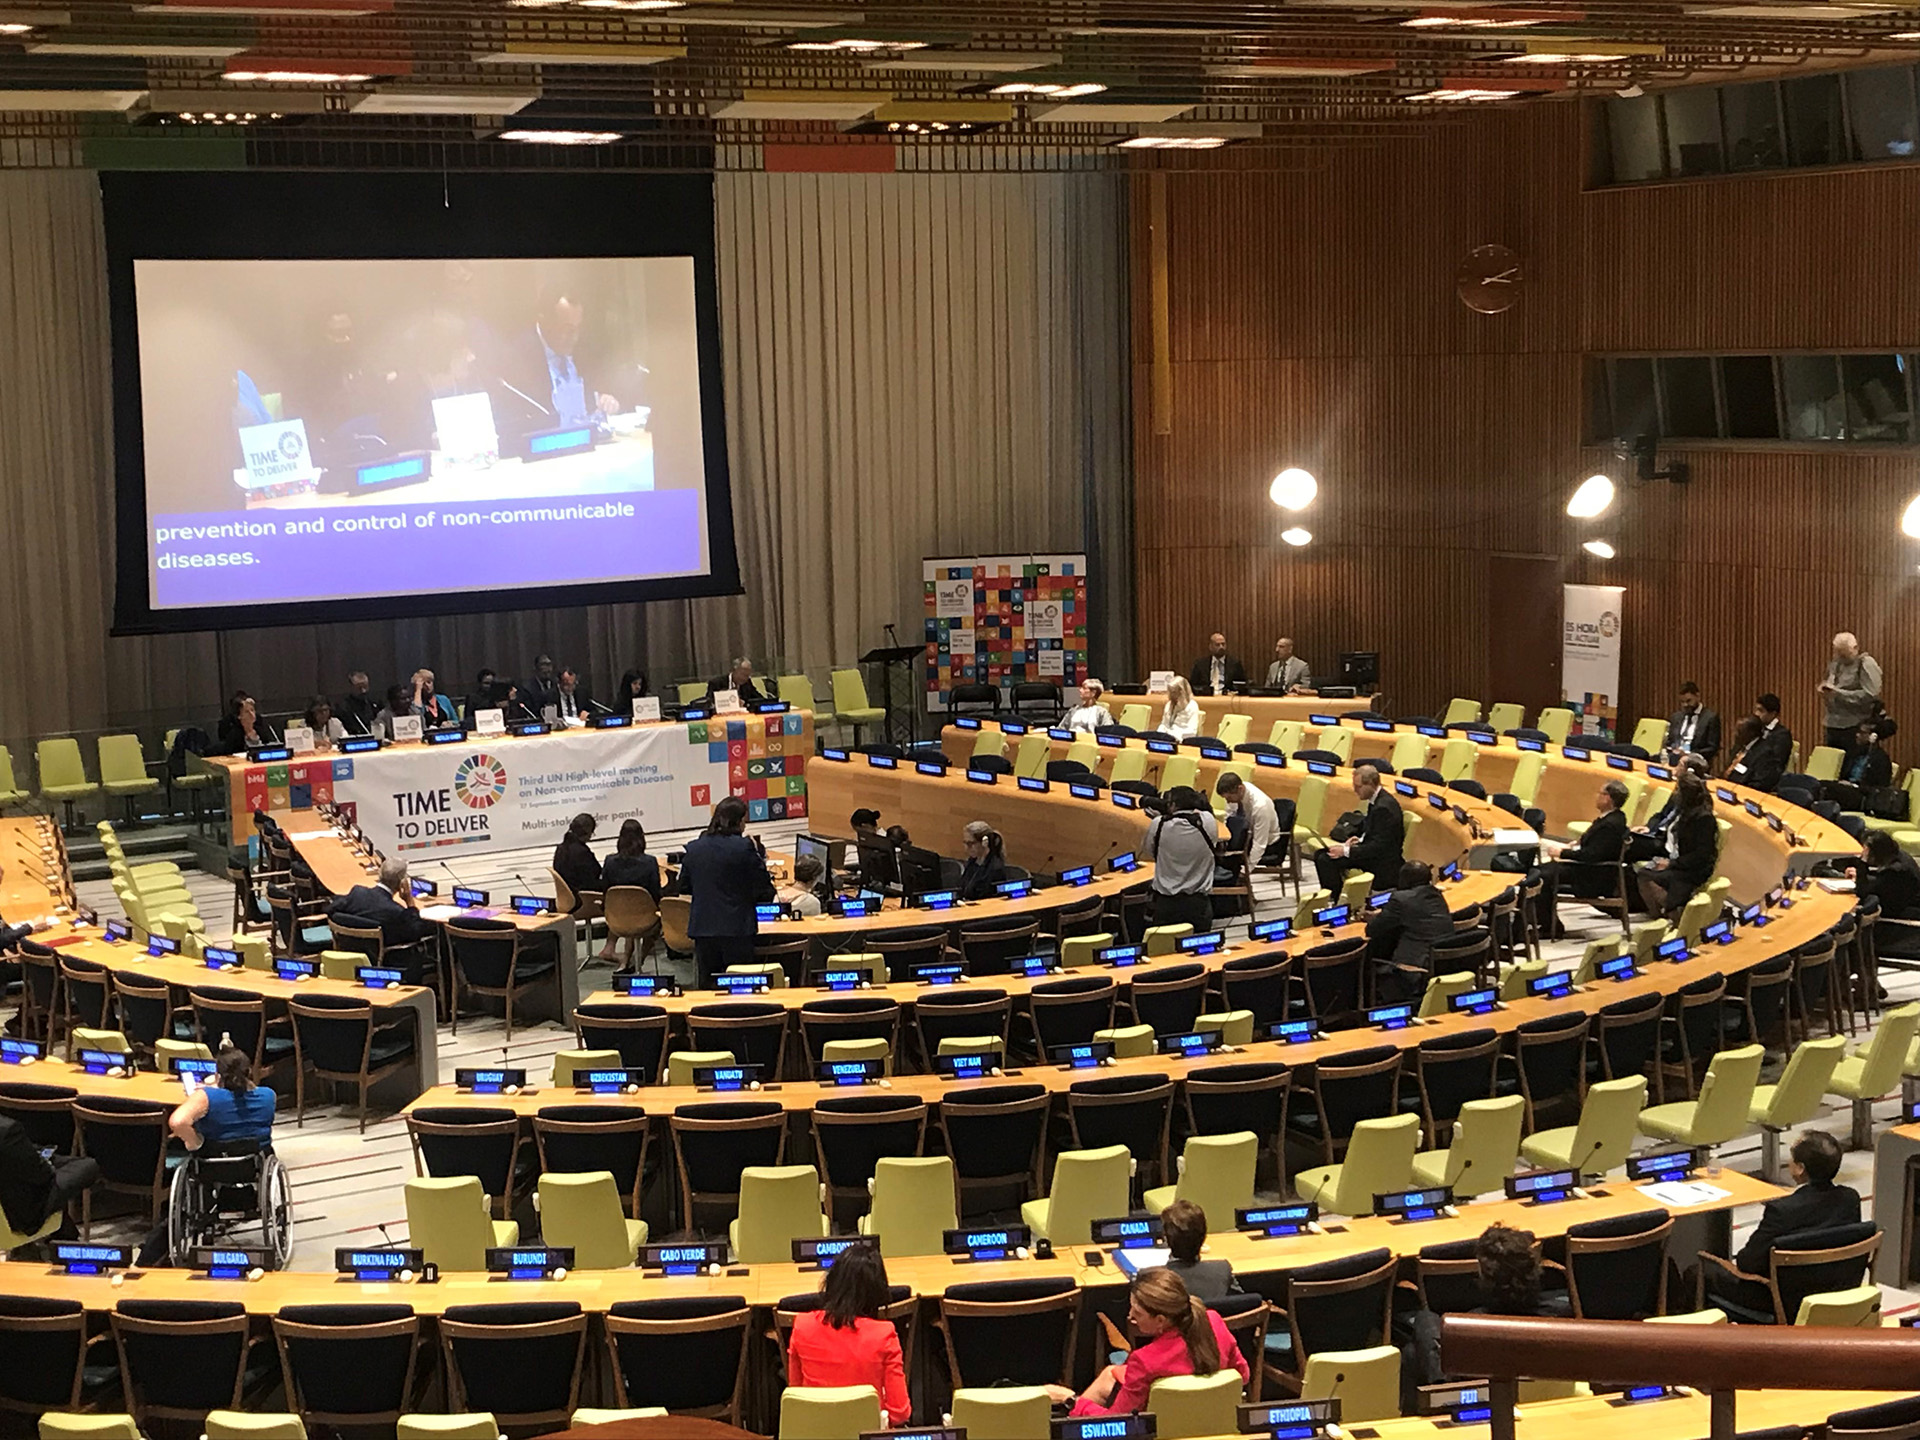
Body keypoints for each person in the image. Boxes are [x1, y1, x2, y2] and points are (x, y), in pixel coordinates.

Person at [1045, 1266, 1249, 1415]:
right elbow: (1243, 1375)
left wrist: (1070, 1400)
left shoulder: (1144, 1361)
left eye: (1137, 1312)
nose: (1130, 1316)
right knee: (1110, 1374)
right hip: (1213, 1419)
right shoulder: (1214, 1320)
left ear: (1160, 1320)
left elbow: (1118, 1424)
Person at [1707, 1131, 1858, 1311]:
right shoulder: (1850, 1199)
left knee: (1700, 1272)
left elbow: (1747, 1262)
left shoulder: (1783, 1210)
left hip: (1782, 1301)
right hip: (1836, 1290)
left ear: (1800, 1168)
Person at [786, 1244, 910, 1425]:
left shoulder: (801, 1326)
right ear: (878, 1290)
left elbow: (796, 1397)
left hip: (814, 1431)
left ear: (832, 1282)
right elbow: (900, 1413)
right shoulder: (885, 1335)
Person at [494, 288, 620, 444]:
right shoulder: (517, 358)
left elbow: (596, 396)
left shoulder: (584, 349)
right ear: (544, 321)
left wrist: (605, 400)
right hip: (547, 449)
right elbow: (517, 423)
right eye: (567, 329)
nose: (574, 337)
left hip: (586, 444)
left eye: (577, 328)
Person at [676, 795, 776, 986]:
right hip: (737, 929)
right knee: (740, 986)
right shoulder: (744, 848)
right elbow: (765, 889)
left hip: (703, 929)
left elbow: (684, 886)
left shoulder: (694, 849)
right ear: (738, 821)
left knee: (708, 986)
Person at [1536, 780, 1632, 931]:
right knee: (1540, 870)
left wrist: (1562, 852)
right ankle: (1547, 923)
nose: (1597, 797)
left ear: (1607, 798)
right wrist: (1575, 844)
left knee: (1540, 876)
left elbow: (1592, 855)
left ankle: (1551, 927)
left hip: (1591, 875)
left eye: (1600, 793)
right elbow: (1595, 843)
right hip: (1587, 868)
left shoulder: (1610, 824)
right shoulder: (1614, 817)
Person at [0, 1113, 99, 1245]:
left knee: (58, 1161)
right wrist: (47, 1164)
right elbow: (42, 1176)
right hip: (23, 1215)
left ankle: (66, 1235)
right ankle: (65, 1238)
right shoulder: (7, 1130)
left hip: (9, 1196)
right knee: (88, 1166)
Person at [1366, 860, 1455, 1000]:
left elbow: (1372, 930)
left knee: (1369, 956)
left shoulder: (1400, 899)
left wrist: (1372, 918)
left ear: (1404, 880)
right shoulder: (1436, 894)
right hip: (1444, 962)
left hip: (1414, 967)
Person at [1637, 769, 1718, 917]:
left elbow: (1702, 855)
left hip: (1692, 870)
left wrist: (1671, 864)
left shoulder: (1704, 818)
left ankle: (1669, 913)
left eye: (1678, 789)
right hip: (1677, 861)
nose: (1675, 793)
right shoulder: (1685, 811)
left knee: (1646, 876)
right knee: (1642, 869)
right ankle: (1665, 911)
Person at [1314, 764, 1404, 893]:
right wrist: (1358, 839)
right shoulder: (1377, 800)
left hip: (1382, 862)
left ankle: (1337, 900)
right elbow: (1374, 832)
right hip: (1373, 852)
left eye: (1358, 787)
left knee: (1326, 859)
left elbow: (1379, 847)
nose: (1355, 790)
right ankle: (1335, 896)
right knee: (1321, 854)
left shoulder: (1384, 807)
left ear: (1371, 784)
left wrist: (1346, 851)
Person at [170, 1046, 276, 1152]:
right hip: (257, 1160)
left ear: (217, 1076)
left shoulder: (205, 1096)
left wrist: (196, 1142)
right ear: (249, 1072)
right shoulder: (269, 1095)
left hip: (214, 1161)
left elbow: (178, 1122)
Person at [1145, 786, 1220, 933]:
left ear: (1172, 805)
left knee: (1165, 952)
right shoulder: (1208, 821)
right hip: (1198, 904)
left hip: (1166, 904)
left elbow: (1150, 852)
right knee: (1200, 951)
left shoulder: (1158, 824)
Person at [330, 857, 435, 951]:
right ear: (402, 883)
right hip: (385, 961)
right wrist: (410, 903)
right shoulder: (396, 912)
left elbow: (331, 909)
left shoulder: (357, 892)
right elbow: (416, 932)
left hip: (348, 952)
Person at [1160, 1198, 1240, 1302]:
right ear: (1204, 1236)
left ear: (1166, 1239)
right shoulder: (1222, 1270)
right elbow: (1242, 1304)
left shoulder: (1156, 1279)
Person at [1821, 632, 1884, 752]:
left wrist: (1838, 693)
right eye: (1837, 653)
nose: (1840, 658)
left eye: (1844, 655)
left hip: (1855, 727)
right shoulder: (1835, 664)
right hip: (1832, 724)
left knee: (1851, 767)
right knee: (1832, 766)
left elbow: (1871, 695)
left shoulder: (1866, 664)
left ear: (1855, 648)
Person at [1848, 831, 1920, 921]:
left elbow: (1862, 891)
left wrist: (1863, 862)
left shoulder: (1895, 870)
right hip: (1902, 898)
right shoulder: (1898, 855)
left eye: (1866, 851)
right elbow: (1880, 879)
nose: (1864, 853)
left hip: (1899, 909)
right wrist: (1859, 874)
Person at [1729, 693, 1792, 793]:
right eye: (1756, 710)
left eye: (1761, 711)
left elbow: (1776, 764)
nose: (1756, 714)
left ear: (1773, 714)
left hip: (1762, 777)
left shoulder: (1782, 735)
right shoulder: (1753, 728)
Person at [1215, 772, 1281, 868]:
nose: (1228, 802)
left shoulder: (1261, 806)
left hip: (1268, 844)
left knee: (1229, 859)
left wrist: (1247, 870)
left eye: (1229, 798)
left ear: (1240, 789)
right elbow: (1228, 819)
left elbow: (1260, 843)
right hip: (1246, 836)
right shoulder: (1237, 793)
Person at [601, 819, 663, 901]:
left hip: (615, 911)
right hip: (644, 911)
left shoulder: (609, 862)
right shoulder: (650, 862)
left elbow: (605, 892)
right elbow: (655, 895)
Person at [552, 813, 604, 908]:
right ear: (587, 833)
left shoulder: (560, 849)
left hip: (566, 897)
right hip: (581, 898)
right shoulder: (582, 852)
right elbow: (594, 876)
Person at [1665, 681, 1721, 766]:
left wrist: (1689, 755)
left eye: (1688, 701)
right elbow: (1669, 742)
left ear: (1697, 696)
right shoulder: (1676, 717)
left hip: (1696, 762)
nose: (1685, 705)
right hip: (1674, 759)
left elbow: (1712, 748)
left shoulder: (1710, 718)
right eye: (1682, 702)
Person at [957, 821, 1010, 901]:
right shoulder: (972, 862)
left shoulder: (995, 868)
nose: (967, 848)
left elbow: (986, 898)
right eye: (965, 843)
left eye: (971, 843)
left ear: (984, 842)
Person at [338, 671, 378, 738]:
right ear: (351, 688)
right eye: (359, 688)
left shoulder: (373, 704)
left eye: (365, 687)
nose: (363, 691)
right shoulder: (343, 708)